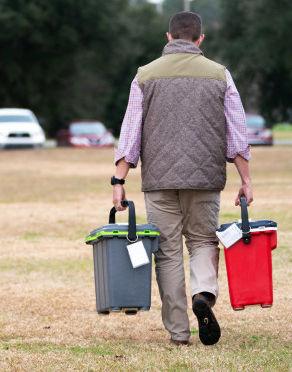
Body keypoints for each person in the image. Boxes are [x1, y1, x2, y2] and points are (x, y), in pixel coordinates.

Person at [111, 11, 253, 346]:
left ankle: (178, 332)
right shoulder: (220, 75)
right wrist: (245, 180)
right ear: (200, 39)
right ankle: (203, 294)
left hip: (159, 179)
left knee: (168, 251)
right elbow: (237, 134)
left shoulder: (145, 75)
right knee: (203, 241)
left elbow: (130, 133)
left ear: (169, 37)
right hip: (205, 177)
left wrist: (118, 181)